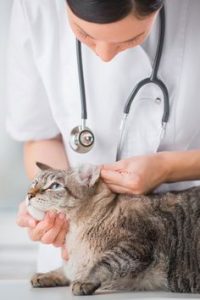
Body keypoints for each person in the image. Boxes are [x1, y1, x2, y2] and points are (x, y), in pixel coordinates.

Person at [6, 0, 200, 272]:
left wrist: (169, 167)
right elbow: (40, 137)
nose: (105, 55)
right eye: (84, 33)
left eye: (132, 38)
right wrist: (58, 204)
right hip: (81, 251)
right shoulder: (35, 7)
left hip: (188, 248)